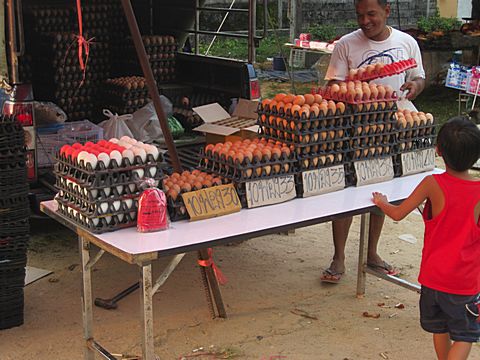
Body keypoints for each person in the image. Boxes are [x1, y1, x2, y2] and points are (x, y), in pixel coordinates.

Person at [320, 0, 426, 283]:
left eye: (371, 14)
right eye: (360, 15)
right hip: (355, 129)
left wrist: (414, 87)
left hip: (394, 128)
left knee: (382, 188)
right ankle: (339, 257)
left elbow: (418, 77)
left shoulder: (406, 42)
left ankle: (372, 253)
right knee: (347, 191)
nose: (365, 21)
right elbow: (333, 86)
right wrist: (352, 91)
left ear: (387, 11)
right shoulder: (346, 44)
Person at [372, 116, 480, 360]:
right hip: (464, 283)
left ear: (438, 150)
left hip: (432, 279)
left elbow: (398, 214)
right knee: (465, 335)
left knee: (440, 328)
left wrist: (382, 202)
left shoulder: (432, 183)